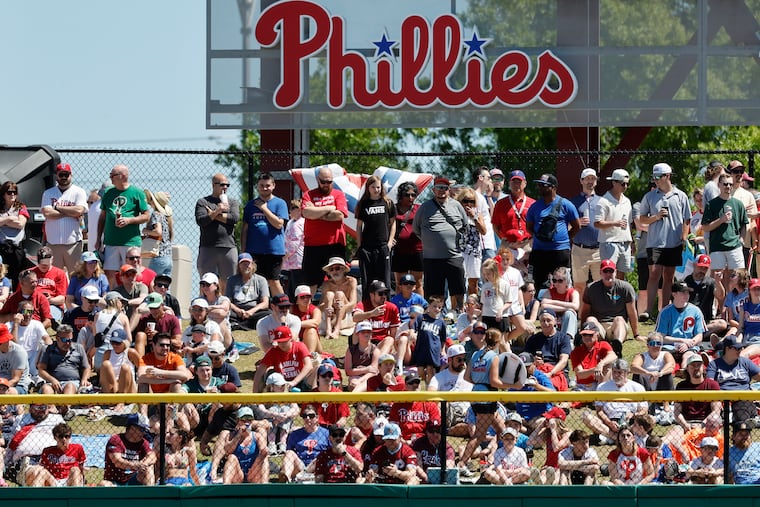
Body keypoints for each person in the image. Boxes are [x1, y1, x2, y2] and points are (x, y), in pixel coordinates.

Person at [457, 328, 519, 476]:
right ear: (498, 342)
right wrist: (512, 385)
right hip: (487, 396)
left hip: (477, 394)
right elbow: (494, 381)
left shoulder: (475, 354)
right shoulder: (494, 356)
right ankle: (461, 463)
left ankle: (497, 459)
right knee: (479, 435)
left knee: (501, 430)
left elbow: (466, 377)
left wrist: (479, 382)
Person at [638, 162, 691, 321]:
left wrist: (684, 237)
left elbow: (686, 219)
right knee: (654, 274)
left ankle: (665, 309)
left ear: (667, 176)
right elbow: (642, 220)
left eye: (658, 177)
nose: (655, 180)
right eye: (653, 177)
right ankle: (648, 310)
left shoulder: (680, 196)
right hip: (655, 243)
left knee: (669, 276)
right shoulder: (649, 196)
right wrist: (656, 217)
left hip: (673, 243)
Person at [412, 176, 468, 311]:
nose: (442, 191)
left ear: (449, 190)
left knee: (458, 290)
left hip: (454, 256)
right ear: (433, 190)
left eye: (445, 188)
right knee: (434, 293)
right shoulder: (425, 207)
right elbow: (416, 229)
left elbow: (464, 225)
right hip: (432, 258)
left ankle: (457, 314)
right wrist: (431, 240)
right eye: (439, 188)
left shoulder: (457, 206)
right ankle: (434, 316)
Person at [96, 165, 150, 288]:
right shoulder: (108, 193)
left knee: (131, 272)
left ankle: (131, 297)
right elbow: (103, 217)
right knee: (110, 273)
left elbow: (146, 216)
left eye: (112, 175)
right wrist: (98, 238)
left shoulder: (137, 193)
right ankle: (114, 298)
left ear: (122, 176)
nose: (110, 178)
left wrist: (129, 220)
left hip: (130, 242)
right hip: (111, 242)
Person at [526, 173, 581, 290]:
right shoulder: (534, 206)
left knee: (563, 283)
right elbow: (529, 227)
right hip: (539, 251)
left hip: (560, 252)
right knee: (538, 283)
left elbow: (577, 226)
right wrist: (540, 238)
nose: (540, 188)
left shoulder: (566, 205)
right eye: (539, 185)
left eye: (544, 185)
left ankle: (564, 307)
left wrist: (564, 239)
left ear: (554, 187)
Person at [301, 166, 349, 291]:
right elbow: (306, 213)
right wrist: (329, 208)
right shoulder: (309, 194)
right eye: (323, 182)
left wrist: (316, 213)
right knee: (310, 283)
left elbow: (339, 215)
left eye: (329, 182)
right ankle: (309, 309)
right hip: (313, 245)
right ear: (318, 180)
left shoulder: (338, 194)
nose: (326, 184)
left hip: (335, 244)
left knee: (337, 281)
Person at [241, 172, 289, 295]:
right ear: (257, 186)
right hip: (254, 250)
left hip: (274, 250)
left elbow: (279, 224)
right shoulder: (250, 205)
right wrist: (244, 249)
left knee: (273, 281)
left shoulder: (280, 203)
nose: (264, 188)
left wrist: (264, 208)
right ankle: (260, 309)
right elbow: (245, 228)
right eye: (261, 185)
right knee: (254, 280)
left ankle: (283, 307)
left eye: (267, 185)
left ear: (273, 185)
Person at [582, 359, 648, 444]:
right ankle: (618, 438)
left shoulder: (637, 387)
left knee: (651, 420)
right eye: (614, 372)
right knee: (587, 417)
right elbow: (599, 411)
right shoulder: (602, 387)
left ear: (627, 373)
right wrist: (609, 423)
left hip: (631, 422)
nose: (616, 375)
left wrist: (634, 415)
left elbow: (644, 410)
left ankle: (611, 438)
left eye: (620, 372)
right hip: (610, 422)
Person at [581, 259, 642, 348]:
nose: (608, 274)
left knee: (619, 319)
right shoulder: (591, 288)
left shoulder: (625, 288)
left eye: (611, 271)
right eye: (605, 271)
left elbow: (632, 312)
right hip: (599, 327)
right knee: (590, 319)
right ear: (600, 273)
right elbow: (585, 311)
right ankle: (590, 344)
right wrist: (582, 331)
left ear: (615, 272)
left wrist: (636, 334)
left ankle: (617, 345)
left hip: (616, 326)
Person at [701, 172, 748, 284]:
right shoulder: (711, 205)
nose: (728, 187)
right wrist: (721, 220)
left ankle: (734, 301)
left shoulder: (738, 204)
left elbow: (744, 225)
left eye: (730, 184)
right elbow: (705, 227)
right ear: (719, 185)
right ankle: (719, 302)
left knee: (739, 278)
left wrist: (741, 240)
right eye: (725, 184)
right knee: (717, 281)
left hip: (735, 246)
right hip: (717, 247)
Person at [41, 163, 88, 274]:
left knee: (76, 276)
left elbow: (79, 211)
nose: (64, 177)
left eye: (66, 174)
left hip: (73, 243)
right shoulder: (48, 193)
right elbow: (47, 213)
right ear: (56, 175)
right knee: (55, 276)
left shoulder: (79, 191)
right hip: (53, 243)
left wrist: (57, 207)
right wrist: (69, 212)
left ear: (71, 175)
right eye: (61, 174)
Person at [195, 173, 239, 293]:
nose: (225, 187)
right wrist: (218, 210)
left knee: (228, 283)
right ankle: (203, 309)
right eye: (222, 184)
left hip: (228, 247)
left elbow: (234, 219)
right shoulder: (203, 202)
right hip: (208, 247)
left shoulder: (232, 202)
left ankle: (226, 308)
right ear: (213, 185)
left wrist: (213, 214)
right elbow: (202, 221)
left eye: (227, 185)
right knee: (206, 283)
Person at [5, 404, 64, 485]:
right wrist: (6, 463)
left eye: (43, 407)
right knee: (38, 472)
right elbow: (12, 442)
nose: (41, 410)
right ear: (30, 409)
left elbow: (66, 441)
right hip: (27, 462)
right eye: (37, 407)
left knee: (40, 473)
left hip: (52, 460)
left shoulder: (56, 419)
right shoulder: (22, 419)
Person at [706, 334, 760, 423]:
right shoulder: (714, 364)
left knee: (741, 412)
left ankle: (742, 426)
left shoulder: (745, 362)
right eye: (737, 348)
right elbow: (709, 383)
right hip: (723, 399)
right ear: (727, 349)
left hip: (743, 398)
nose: (740, 350)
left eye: (741, 348)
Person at [355, 174, 396, 292]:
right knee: (367, 280)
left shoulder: (387, 203)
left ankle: (386, 305)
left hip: (383, 246)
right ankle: (367, 306)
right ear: (368, 188)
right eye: (373, 187)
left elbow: (393, 223)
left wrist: (389, 243)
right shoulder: (363, 204)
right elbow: (359, 226)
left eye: (378, 187)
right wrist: (359, 246)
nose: (376, 190)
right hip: (367, 247)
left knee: (385, 280)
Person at [653, 281, 707, 368]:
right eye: (683, 292)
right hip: (669, 346)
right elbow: (661, 337)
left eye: (687, 292)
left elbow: (699, 336)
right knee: (666, 358)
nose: (686, 295)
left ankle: (684, 370)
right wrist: (681, 341)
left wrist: (688, 344)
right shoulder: (665, 312)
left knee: (688, 357)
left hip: (689, 346)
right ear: (674, 294)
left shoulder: (696, 311)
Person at [594, 168, 634, 279]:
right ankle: (608, 296)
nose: (625, 186)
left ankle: (620, 296)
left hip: (625, 243)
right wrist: (614, 223)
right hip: (609, 243)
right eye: (622, 184)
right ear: (614, 182)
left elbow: (629, 223)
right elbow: (597, 223)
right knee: (609, 274)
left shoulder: (627, 201)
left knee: (622, 276)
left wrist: (632, 242)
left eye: (627, 184)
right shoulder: (603, 201)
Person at [428, 344, 472, 437]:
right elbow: (430, 393)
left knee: (469, 426)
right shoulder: (440, 377)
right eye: (459, 359)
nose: (462, 362)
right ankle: (450, 429)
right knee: (440, 403)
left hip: (469, 412)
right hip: (449, 412)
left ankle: (448, 431)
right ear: (449, 360)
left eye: (464, 359)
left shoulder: (470, 374)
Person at [253, 325, 314, 392]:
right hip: (281, 385)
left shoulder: (299, 346)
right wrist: (255, 392)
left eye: (284, 341)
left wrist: (294, 382)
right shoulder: (274, 351)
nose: (282, 344)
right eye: (279, 342)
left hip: (300, 380)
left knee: (316, 371)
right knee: (269, 373)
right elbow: (260, 370)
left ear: (290, 338)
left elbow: (309, 365)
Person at [570, 168, 602, 294]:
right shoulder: (573, 202)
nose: (590, 181)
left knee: (600, 284)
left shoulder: (602, 201)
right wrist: (576, 224)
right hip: (579, 249)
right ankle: (581, 314)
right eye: (587, 179)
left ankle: (599, 313)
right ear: (581, 181)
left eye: (593, 179)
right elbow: (565, 224)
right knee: (579, 285)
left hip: (599, 250)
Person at [280, 404, 331, 483]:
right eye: (304, 416)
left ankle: (305, 476)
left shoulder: (326, 433)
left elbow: (331, 453)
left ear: (317, 418)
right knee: (289, 453)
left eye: (311, 416)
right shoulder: (295, 434)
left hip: (318, 466)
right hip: (301, 467)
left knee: (322, 455)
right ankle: (285, 481)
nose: (307, 418)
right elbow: (289, 453)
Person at [101, 413, 156, 486]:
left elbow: (152, 456)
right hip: (115, 481)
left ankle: (151, 495)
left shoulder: (143, 442)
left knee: (149, 468)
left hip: (133, 479)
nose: (144, 433)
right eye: (142, 430)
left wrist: (144, 463)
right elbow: (117, 462)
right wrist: (135, 465)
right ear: (132, 428)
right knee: (103, 484)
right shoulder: (116, 440)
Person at [524, 308, 572, 391]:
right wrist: (534, 361)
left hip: (556, 371)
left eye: (548, 320)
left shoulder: (563, 338)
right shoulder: (533, 339)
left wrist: (550, 373)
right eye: (543, 320)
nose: (545, 323)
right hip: (537, 370)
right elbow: (525, 358)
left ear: (555, 321)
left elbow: (563, 361)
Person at [25, 422, 85, 487]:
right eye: (60, 437)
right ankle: (34, 495)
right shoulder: (47, 451)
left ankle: (75, 496)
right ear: (55, 437)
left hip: (69, 479)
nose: (64, 439)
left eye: (67, 436)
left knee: (75, 469)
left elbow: (81, 468)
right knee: (42, 472)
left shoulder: (77, 448)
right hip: (53, 481)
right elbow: (42, 468)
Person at [352, 280, 401, 358]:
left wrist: (394, 349)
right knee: (358, 325)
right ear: (372, 295)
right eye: (380, 293)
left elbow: (393, 333)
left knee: (390, 339)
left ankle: (378, 362)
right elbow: (355, 317)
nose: (384, 296)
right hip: (365, 341)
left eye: (385, 293)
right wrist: (371, 313)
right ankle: (356, 356)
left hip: (381, 344)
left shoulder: (392, 308)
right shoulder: (363, 305)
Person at [37, 324, 91, 395]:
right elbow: (41, 370)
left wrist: (84, 379)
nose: (67, 343)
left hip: (72, 382)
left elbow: (87, 368)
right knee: (46, 389)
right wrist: (52, 380)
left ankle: (65, 406)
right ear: (57, 338)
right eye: (64, 340)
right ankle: (50, 406)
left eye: (70, 340)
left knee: (70, 386)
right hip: (52, 382)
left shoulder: (79, 348)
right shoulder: (47, 349)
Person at [673, 354, 721, 431]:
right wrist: (685, 425)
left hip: (707, 424)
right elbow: (677, 412)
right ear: (687, 369)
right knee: (672, 435)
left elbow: (716, 410)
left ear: (703, 367)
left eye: (699, 365)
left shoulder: (712, 385)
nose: (696, 368)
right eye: (692, 365)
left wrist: (702, 425)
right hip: (685, 423)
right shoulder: (681, 386)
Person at [388, 372, 441, 441]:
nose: (415, 385)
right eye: (411, 383)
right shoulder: (398, 405)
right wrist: (401, 441)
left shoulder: (429, 404)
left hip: (425, 441)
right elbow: (393, 427)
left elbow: (436, 425)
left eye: (417, 383)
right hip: (403, 441)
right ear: (405, 386)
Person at [392, 181, 424, 295]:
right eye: (407, 194)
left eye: (413, 194)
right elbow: (387, 225)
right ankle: (399, 309)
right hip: (400, 250)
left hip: (417, 249)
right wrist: (390, 239)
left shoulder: (419, 208)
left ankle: (420, 309)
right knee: (400, 283)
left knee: (418, 282)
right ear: (401, 195)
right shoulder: (393, 208)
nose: (410, 197)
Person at [685, 254, 728, 337]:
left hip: (705, 320)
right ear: (694, 265)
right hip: (688, 320)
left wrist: (718, 282)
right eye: (700, 267)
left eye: (705, 268)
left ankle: (697, 335)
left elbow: (721, 296)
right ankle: (699, 335)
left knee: (722, 324)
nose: (702, 270)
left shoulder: (711, 282)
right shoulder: (686, 281)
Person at [10, 299, 51, 386]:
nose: (28, 314)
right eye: (25, 311)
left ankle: (36, 378)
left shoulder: (36, 324)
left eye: (31, 312)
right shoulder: (10, 325)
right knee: (17, 352)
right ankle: (29, 379)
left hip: (33, 357)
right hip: (17, 356)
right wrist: (16, 324)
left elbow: (47, 339)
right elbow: (13, 345)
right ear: (19, 312)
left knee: (44, 347)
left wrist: (50, 351)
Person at [225, 253, 271, 331]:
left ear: (253, 265)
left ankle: (239, 324)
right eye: (243, 264)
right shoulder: (231, 280)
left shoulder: (261, 280)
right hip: (237, 310)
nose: (246, 266)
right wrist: (238, 310)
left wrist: (251, 312)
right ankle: (246, 324)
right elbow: (227, 301)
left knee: (269, 314)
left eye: (248, 263)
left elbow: (265, 303)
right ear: (238, 266)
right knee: (224, 312)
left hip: (254, 310)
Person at [133, 292, 182, 357]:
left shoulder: (172, 319)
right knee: (140, 335)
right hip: (148, 352)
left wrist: (159, 337)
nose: (153, 311)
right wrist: (145, 334)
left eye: (156, 308)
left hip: (166, 353)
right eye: (151, 308)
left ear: (162, 305)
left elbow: (178, 343)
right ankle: (140, 364)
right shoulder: (144, 319)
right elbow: (138, 341)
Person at [0, 181, 31, 286]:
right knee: (3, 276)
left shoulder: (21, 207)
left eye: (14, 192)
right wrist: (9, 218)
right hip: (2, 247)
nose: (12, 194)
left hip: (17, 248)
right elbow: (15, 222)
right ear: (3, 194)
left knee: (18, 277)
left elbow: (20, 224)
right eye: (9, 192)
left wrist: (3, 222)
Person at [457, 187, 487, 295]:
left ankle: (472, 305)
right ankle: (458, 307)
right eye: (465, 201)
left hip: (474, 252)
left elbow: (483, 231)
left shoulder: (477, 214)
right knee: (459, 281)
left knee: (473, 282)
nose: (468, 204)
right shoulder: (456, 213)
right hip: (459, 251)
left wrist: (474, 217)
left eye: (472, 201)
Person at [570, 321, 617, 390]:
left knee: (607, 366)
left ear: (597, 335)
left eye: (590, 335)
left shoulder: (603, 345)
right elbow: (580, 374)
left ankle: (602, 392)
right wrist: (595, 369)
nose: (587, 337)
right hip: (583, 386)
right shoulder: (576, 352)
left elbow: (613, 356)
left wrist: (601, 364)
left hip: (600, 382)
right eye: (584, 335)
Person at [410, 295, 446, 383]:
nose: (436, 309)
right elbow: (413, 328)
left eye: (439, 307)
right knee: (420, 371)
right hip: (421, 349)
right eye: (434, 306)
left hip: (434, 350)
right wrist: (412, 333)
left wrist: (443, 350)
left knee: (430, 369)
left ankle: (429, 387)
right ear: (429, 306)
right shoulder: (421, 318)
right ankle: (425, 381)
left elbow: (443, 339)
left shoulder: (441, 322)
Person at [537, 265, 579, 340]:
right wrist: (567, 308)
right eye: (554, 280)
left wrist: (552, 302)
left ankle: (568, 340)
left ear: (567, 281)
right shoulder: (549, 292)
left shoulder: (573, 292)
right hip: (553, 321)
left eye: (560, 281)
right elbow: (544, 306)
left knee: (569, 314)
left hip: (567, 321)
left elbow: (576, 306)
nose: (556, 283)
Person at [492, 169, 535, 243]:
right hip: (508, 244)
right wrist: (504, 239)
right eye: (514, 182)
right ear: (509, 184)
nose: (516, 185)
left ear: (525, 183)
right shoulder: (501, 204)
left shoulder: (533, 204)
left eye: (519, 182)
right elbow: (495, 225)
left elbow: (536, 225)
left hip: (527, 244)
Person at [320, 257, 357, 340]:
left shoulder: (351, 281)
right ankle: (328, 330)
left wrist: (342, 306)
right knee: (329, 294)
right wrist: (327, 307)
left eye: (337, 268)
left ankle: (336, 330)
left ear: (343, 269)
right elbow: (320, 306)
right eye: (331, 269)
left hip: (345, 317)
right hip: (330, 317)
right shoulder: (326, 284)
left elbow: (353, 303)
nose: (334, 271)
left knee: (339, 294)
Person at [412, 419, 456, 483]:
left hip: (441, 478)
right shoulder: (419, 444)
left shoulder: (447, 447)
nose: (435, 434)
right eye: (431, 431)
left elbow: (449, 466)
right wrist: (426, 478)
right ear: (426, 432)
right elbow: (418, 466)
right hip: (422, 478)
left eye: (438, 430)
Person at [31, 246, 68, 323]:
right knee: (26, 314)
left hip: (52, 305)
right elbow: (21, 294)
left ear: (52, 260)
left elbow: (62, 299)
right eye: (42, 263)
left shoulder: (60, 273)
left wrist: (50, 300)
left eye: (47, 263)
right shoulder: (29, 273)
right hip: (32, 304)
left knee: (48, 316)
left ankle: (50, 323)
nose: (44, 266)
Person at [142, 189, 174, 277]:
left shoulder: (156, 214)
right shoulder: (166, 216)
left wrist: (146, 231)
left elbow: (158, 232)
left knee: (150, 282)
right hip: (168, 258)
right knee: (163, 286)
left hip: (159, 256)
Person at [99, 328, 139, 395]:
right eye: (113, 343)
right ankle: (114, 395)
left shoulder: (131, 352)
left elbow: (142, 368)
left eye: (118, 343)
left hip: (128, 387)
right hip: (112, 387)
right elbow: (103, 376)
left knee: (125, 368)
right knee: (106, 364)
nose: (114, 345)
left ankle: (121, 399)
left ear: (124, 342)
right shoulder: (107, 354)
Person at [344, 320, 380, 392]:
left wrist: (360, 380)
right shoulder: (351, 350)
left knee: (357, 384)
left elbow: (374, 371)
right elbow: (348, 371)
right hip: (355, 376)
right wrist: (366, 369)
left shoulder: (375, 350)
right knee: (353, 384)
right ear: (357, 334)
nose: (366, 334)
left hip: (369, 377)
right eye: (363, 332)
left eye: (368, 332)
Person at [282, 198, 305, 298]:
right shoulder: (291, 222)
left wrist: (284, 256)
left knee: (297, 287)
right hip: (291, 262)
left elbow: (294, 244)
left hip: (298, 261)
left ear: (300, 210)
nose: (290, 211)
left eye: (293, 208)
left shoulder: (299, 223)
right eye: (290, 208)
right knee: (291, 287)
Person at [291, 284, 322, 353]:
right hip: (295, 340)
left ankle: (310, 357)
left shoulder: (315, 310)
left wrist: (296, 323)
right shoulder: (291, 309)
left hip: (313, 343)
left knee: (311, 330)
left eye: (308, 296)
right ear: (297, 300)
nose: (306, 299)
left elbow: (315, 322)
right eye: (302, 297)